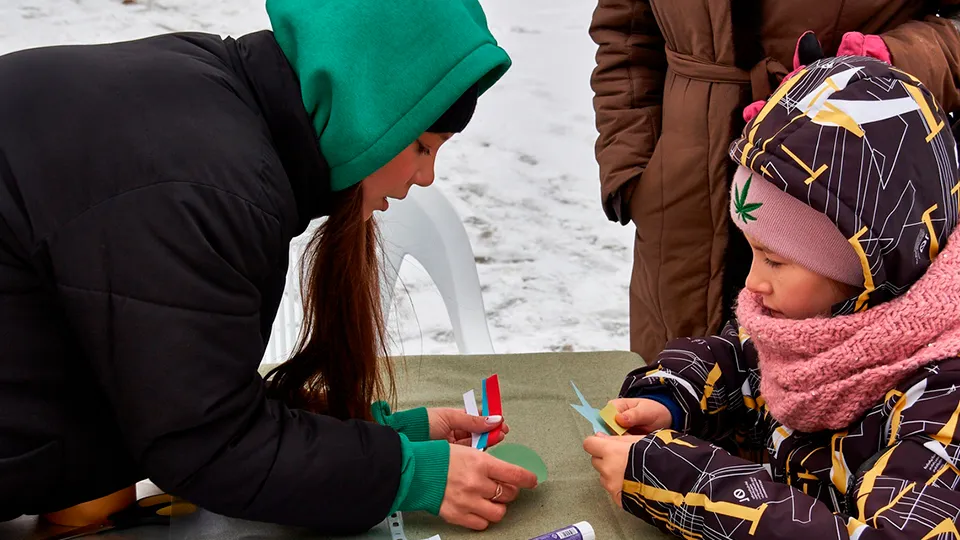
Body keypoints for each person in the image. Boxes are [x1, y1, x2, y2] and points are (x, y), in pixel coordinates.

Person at [0, 0, 538, 532]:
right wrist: (403, 470)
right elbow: (206, 445)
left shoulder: (212, 95)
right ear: (369, 110)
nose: (426, 177)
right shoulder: (210, 185)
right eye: (423, 146)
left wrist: (380, 436)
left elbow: (173, 381)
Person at [584, 57, 960, 538]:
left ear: (865, 259)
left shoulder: (942, 401)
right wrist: (673, 399)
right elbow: (742, 364)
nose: (753, 283)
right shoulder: (809, 313)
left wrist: (688, 485)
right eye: (752, 253)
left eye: (775, 260)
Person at [589, 0, 960, 364]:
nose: (751, 284)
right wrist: (631, 165)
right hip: (681, 200)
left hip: (850, 182)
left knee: (834, 393)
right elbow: (627, 30)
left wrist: (890, 68)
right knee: (686, 376)